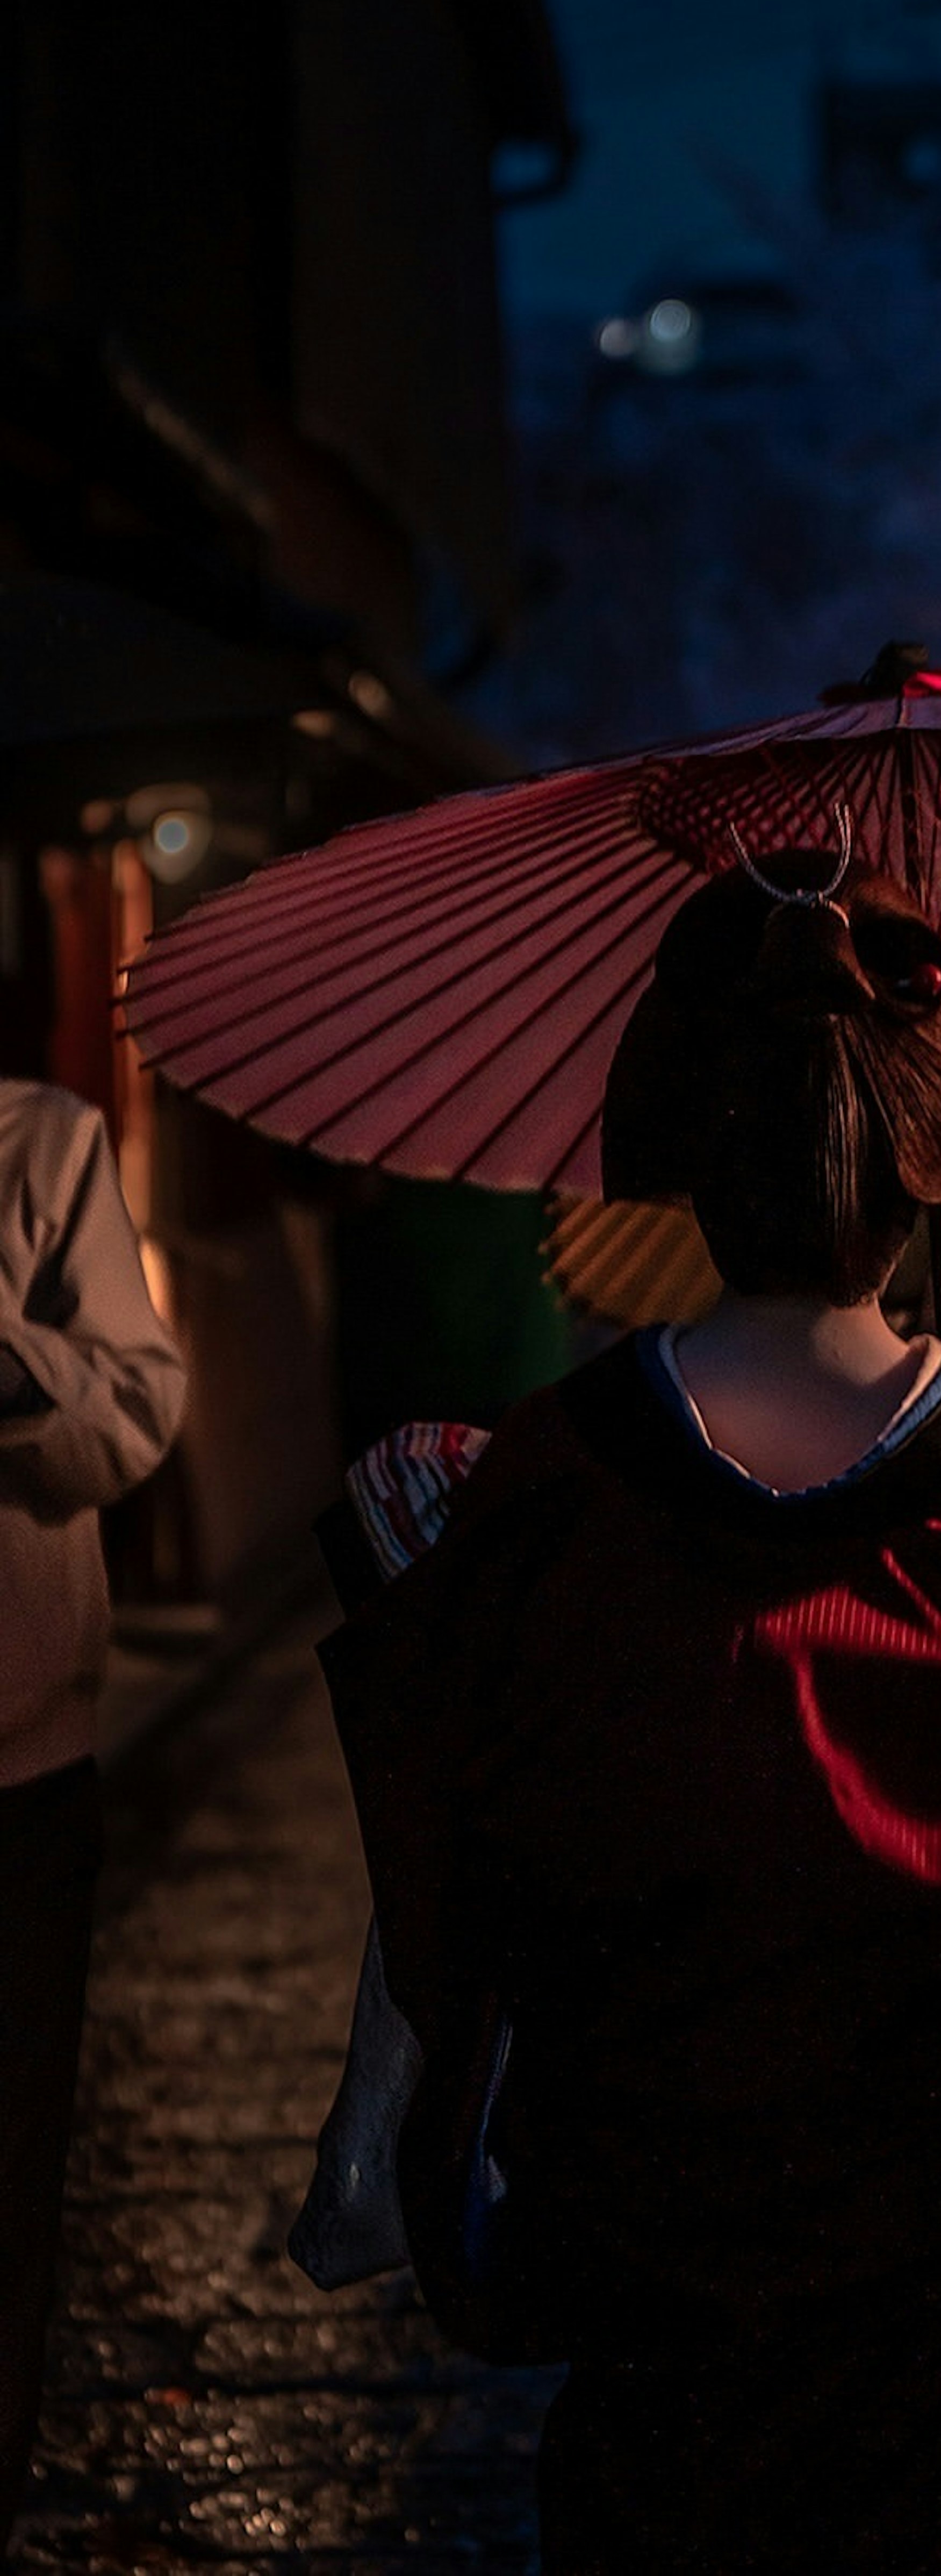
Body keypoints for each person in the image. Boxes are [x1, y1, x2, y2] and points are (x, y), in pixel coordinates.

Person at [314, 850, 941, 2575]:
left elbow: (452, 1828)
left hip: (644, 2251)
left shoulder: (557, 1474)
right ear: (927, 1181)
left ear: (686, 1162)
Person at [0, 1077, 186, 2549]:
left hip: (21, 1763)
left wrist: (4, 1357)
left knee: (11, 2178)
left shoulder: (42, 1146)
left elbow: (133, 1415)